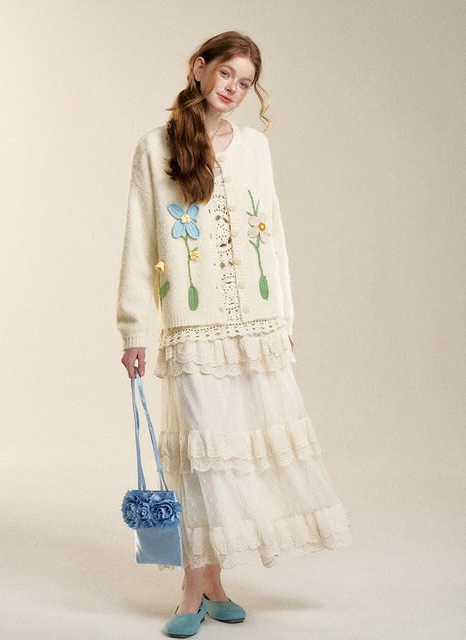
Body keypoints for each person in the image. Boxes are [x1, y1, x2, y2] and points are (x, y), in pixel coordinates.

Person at [116, 30, 353, 638]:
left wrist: (284, 320)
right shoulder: (155, 147)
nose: (234, 89)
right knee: (202, 459)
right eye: (227, 74)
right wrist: (134, 328)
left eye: (246, 83)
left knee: (233, 457)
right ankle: (191, 590)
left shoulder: (253, 148)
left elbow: (272, 235)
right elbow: (141, 245)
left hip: (255, 324)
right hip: (192, 329)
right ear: (200, 68)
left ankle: (214, 583)